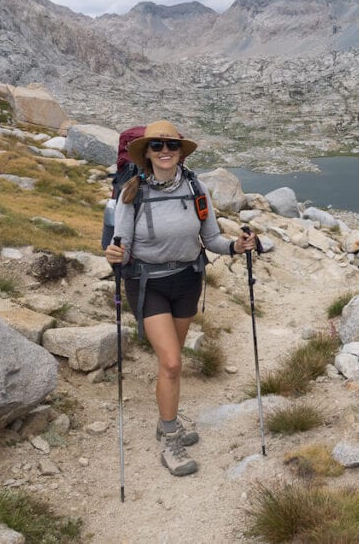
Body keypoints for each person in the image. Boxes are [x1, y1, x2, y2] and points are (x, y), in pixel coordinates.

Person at [104, 119, 256, 477]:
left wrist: (236, 246)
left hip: (188, 280)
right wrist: (114, 255)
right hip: (148, 284)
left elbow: (212, 239)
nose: (165, 151)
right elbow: (122, 247)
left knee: (172, 364)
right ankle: (170, 439)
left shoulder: (195, 187)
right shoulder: (132, 192)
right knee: (171, 362)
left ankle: (165, 420)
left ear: (180, 151)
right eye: (157, 146)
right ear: (147, 154)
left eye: (172, 145)